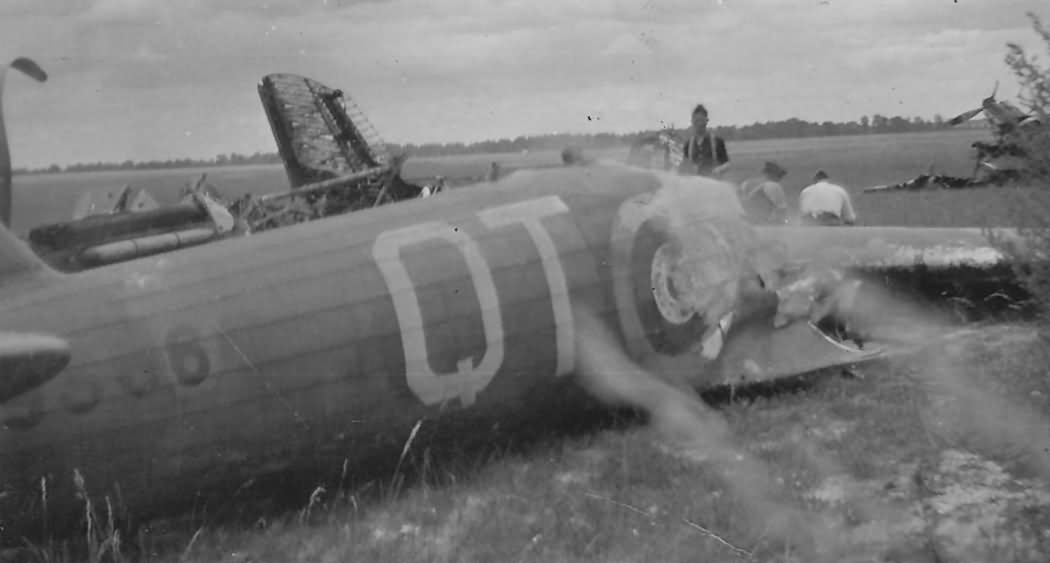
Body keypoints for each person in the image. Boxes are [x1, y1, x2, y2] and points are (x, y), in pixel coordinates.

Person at [677, 104, 730, 178]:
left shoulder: (717, 141)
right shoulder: (688, 145)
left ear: (706, 120)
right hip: (694, 186)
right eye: (696, 121)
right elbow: (684, 166)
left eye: (701, 120)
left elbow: (727, 164)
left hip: (714, 185)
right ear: (692, 121)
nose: (699, 124)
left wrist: (719, 170)